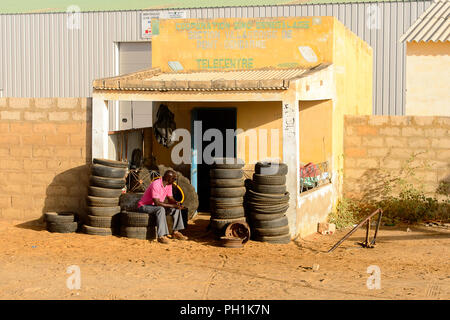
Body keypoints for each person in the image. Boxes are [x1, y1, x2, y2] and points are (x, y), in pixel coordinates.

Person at [137, 170, 188, 244]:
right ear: (168, 178)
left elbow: (170, 198)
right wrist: (173, 205)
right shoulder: (156, 184)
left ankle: (175, 232)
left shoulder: (169, 185)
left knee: (176, 209)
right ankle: (161, 236)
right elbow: (157, 203)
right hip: (144, 206)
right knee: (160, 209)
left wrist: (176, 203)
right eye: (174, 179)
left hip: (155, 206)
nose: (175, 180)